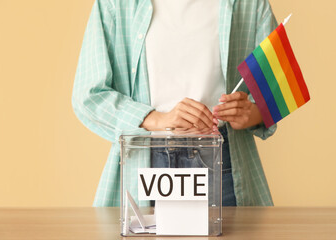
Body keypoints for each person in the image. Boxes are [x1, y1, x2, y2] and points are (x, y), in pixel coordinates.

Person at [72, 0, 277, 207]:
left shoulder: (250, 4)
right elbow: (89, 94)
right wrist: (157, 119)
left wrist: (251, 113)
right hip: (145, 158)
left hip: (220, 157)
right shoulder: (116, 4)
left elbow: (275, 91)